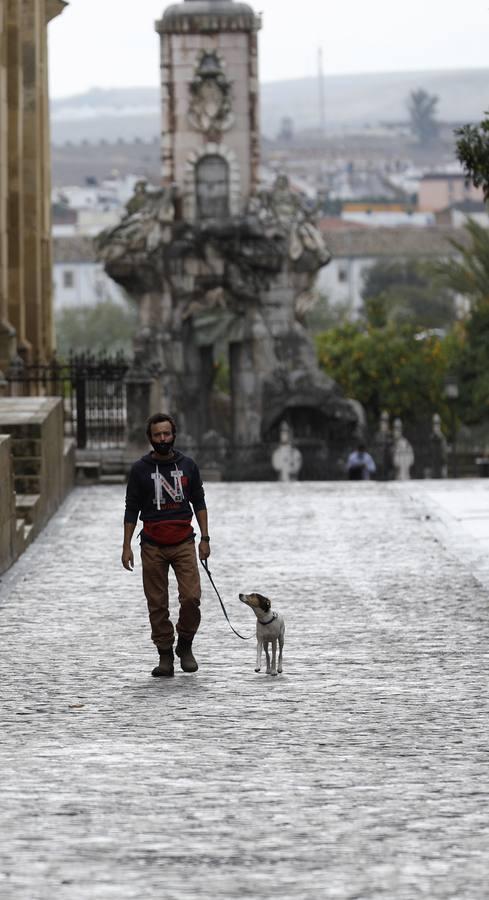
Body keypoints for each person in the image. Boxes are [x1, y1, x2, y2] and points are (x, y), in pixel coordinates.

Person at [122, 413, 210, 678]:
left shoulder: (188, 466)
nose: (162, 439)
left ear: (174, 435)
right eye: (157, 435)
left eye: (166, 434)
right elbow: (131, 509)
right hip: (152, 545)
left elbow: (199, 502)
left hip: (184, 541)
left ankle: (185, 644)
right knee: (157, 603)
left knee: (191, 597)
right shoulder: (140, 470)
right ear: (150, 438)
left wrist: (205, 538)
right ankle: (164, 654)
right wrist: (126, 546)